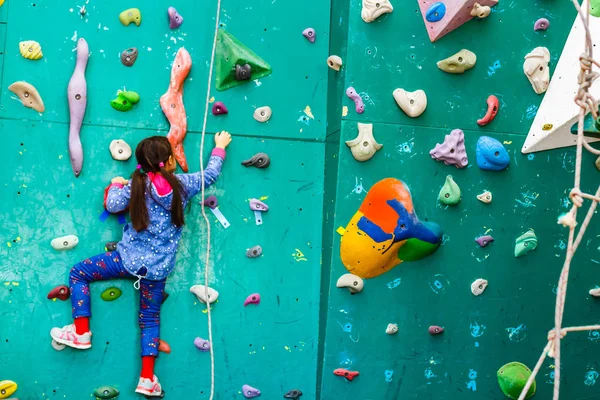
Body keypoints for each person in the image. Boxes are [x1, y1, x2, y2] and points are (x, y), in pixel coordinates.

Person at [50, 132, 232, 397]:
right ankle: (147, 378)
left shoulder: (137, 185)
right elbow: (211, 175)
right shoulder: (184, 184)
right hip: (157, 271)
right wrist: (219, 147)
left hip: (125, 260)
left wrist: (115, 184)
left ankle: (81, 332)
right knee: (149, 319)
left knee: (79, 273)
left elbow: (112, 205)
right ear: (169, 160)